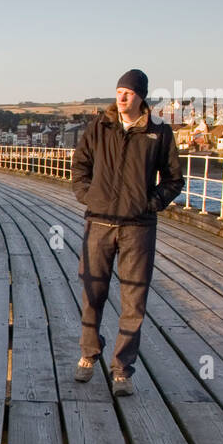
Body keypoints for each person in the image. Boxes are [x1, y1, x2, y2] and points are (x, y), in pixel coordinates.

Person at [70, 69, 184, 396]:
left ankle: (122, 369)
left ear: (141, 97)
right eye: (119, 91)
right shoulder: (99, 128)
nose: (122, 97)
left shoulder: (159, 133)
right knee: (93, 291)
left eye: (129, 93)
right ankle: (89, 355)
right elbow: (80, 168)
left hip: (139, 228)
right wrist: (90, 197)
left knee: (134, 298)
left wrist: (151, 203)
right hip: (100, 223)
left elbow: (174, 179)